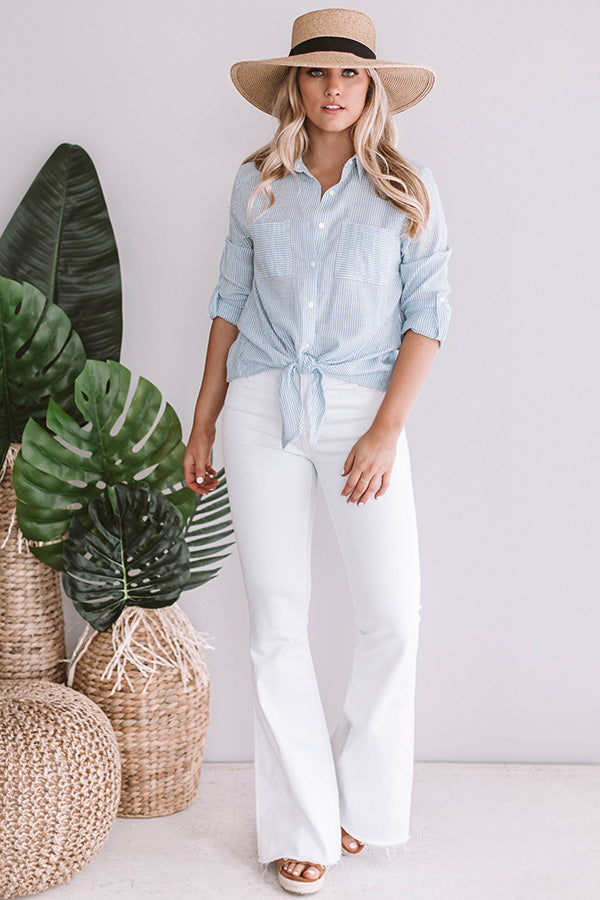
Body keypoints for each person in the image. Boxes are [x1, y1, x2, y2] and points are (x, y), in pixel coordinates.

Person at [184, 7, 452, 895]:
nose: (333, 88)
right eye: (316, 72)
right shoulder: (256, 181)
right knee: (277, 621)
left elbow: (429, 317)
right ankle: (301, 823)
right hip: (262, 404)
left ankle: (360, 807)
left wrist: (385, 430)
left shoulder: (408, 189)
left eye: (350, 73)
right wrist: (203, 419)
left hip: (361, 411)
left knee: (394, 616)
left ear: (371, 87)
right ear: (293, 85)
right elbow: (228, 299)